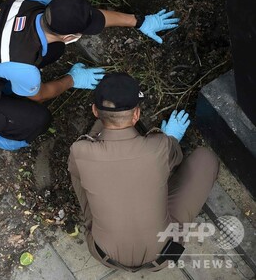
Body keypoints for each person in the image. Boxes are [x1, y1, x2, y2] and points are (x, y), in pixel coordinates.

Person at [0, 0, 179, 150]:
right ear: (71, 35)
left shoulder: (35, 5)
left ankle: (0, 88)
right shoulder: (22, 65)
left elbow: (90, 18)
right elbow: (39, 95)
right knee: (36, 121)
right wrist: (72, 79)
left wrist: (139, 21)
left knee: (54, 49)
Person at [68, 72, 219, 272]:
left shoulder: (79, 150)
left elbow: (77, 170)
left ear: (95, 110)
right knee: (206, 159)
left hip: (102, 253)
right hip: (162, 255)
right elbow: (175, 157)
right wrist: (170, 138)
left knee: (77, 170)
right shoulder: (159, 147)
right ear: (137, 114)